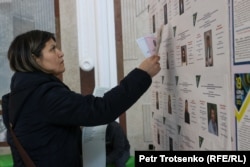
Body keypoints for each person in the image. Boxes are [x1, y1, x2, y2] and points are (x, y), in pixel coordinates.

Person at [1, 30, 161, 167]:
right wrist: (142, 74)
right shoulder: (43, 95)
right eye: (52, 49)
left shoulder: (22, 93)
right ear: (35, 59)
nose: (60, 53)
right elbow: (101, 109)